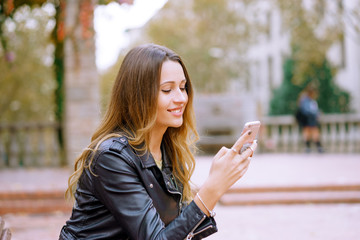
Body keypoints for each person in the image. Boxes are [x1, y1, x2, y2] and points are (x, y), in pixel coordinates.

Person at [59, 43, 257, 240]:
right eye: (167, 90)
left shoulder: (168, 150)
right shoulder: (111, 158)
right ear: (138, 95)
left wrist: (217, 178)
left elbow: (175, 232)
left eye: (183, 87)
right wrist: (213, 188)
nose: (181, 98)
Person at [296, 86, 323, 153]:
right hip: (308, 119)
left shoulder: (308, 100)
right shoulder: (306, 100)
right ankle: (315, 147)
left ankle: (311, 147)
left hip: (309, 119)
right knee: (311, 133)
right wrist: (315, 114)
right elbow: (307, 110)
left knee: (310, 133)